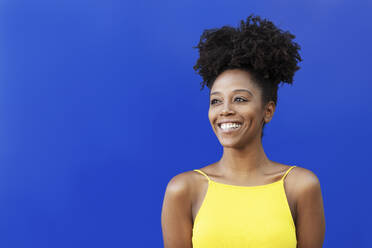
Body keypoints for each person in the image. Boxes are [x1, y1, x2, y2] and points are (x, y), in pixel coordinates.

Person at [161, 14, 325, 248]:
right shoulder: (183, 189)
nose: (225, 110)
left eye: (239, 99)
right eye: (216, 101)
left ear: (267, 111)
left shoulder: (300, 186)